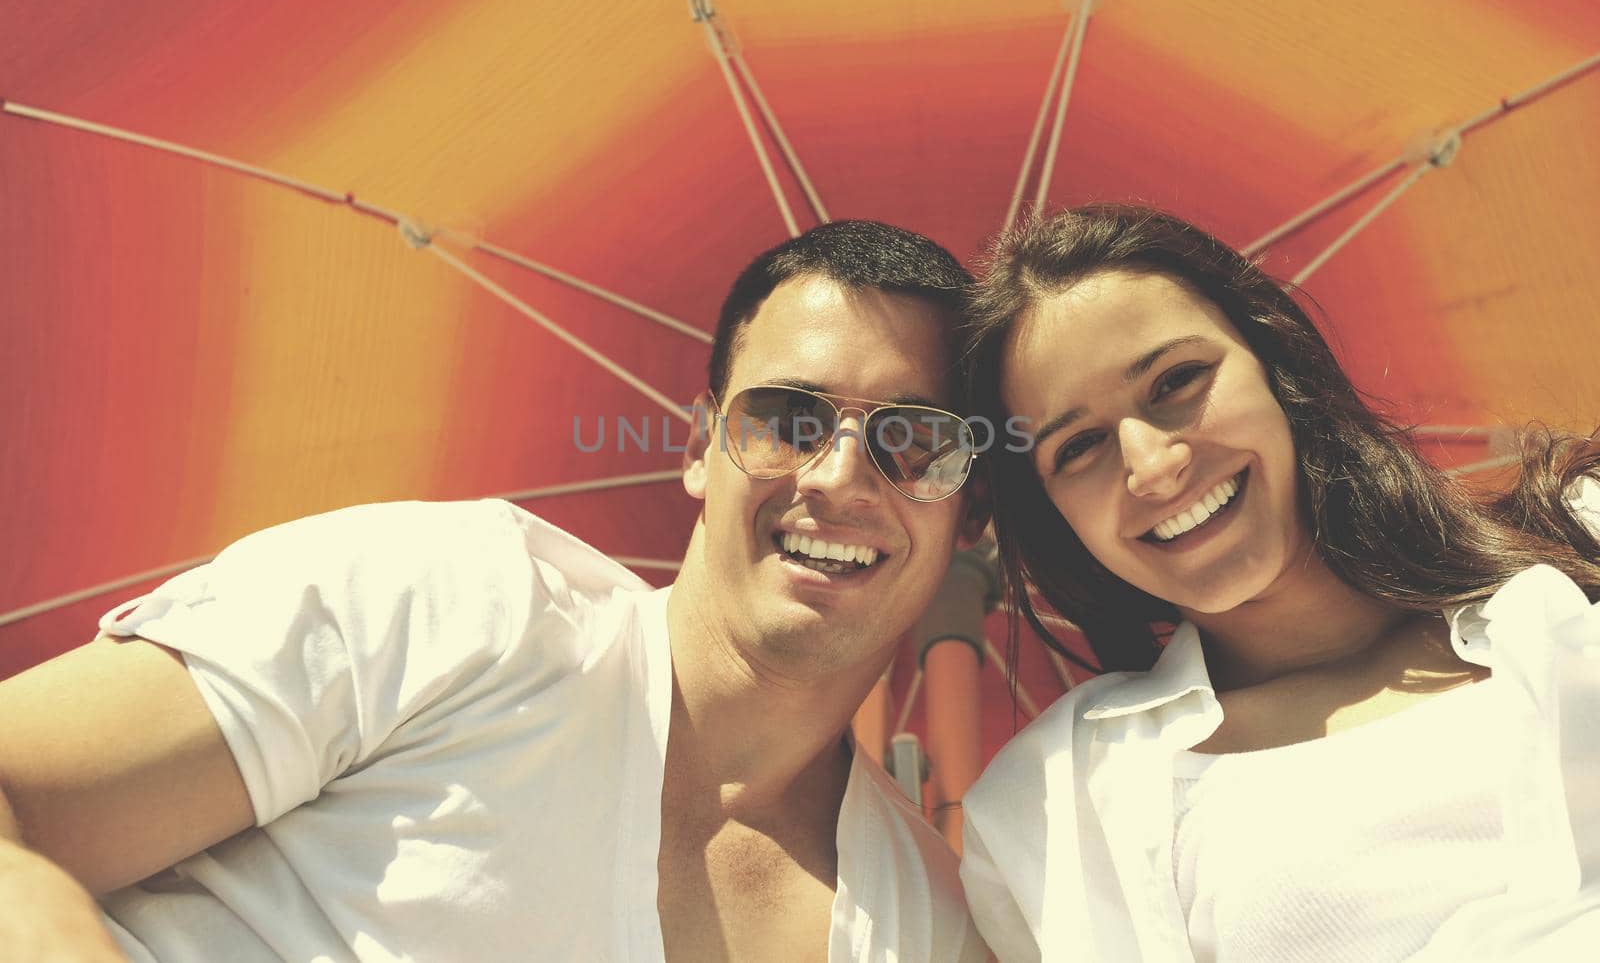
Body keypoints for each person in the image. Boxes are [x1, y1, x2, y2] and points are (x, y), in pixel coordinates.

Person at [0, 220, 992, 962]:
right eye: (788, 417)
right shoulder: (455, 602)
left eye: (914, 440)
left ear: (967, 506)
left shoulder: (926, 923)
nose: (839, 476)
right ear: (698, 445)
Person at [955, 205, 1600, 962]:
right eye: (1080, 445)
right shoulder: (1056, 810)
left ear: (1273, 363)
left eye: (1176, 380)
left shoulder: (1580, 541)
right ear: (1056, 514)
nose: (1154, 465)